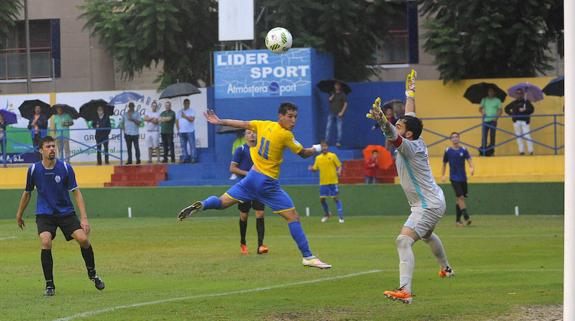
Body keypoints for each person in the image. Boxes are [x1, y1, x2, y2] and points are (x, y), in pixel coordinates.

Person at [177, 102, 331, 269]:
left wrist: (220, 121)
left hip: (251, 178)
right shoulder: (286, 135)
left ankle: (203, 204)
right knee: (293, 217)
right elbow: (303, 154)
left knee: (221, 203)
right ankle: (307, 256)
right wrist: (317, 147)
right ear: (280, 116)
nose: (293, 121)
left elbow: (242, 124)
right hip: (267, 183)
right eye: (290, 116)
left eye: (295, 117)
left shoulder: (262, 124)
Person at [367, 70, 453, 304]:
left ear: (409, 133)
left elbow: (393, 135)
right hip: (432, 200)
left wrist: (383, 121)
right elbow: (410, 113)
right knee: (426, 235)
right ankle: (446, 268)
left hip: (427, 204)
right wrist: (410, 90)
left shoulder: (409, 147)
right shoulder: (415, 137)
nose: (397, 124)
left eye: (400, 124)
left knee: (403, 241)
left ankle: (405, 291)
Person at [15, 136, 105, 296]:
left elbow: (76, 193)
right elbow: (27, 193)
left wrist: (84, 218)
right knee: (45, 241)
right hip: (45, 214)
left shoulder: (65, 167)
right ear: (41, 150)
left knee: (83, 240)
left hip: (65, 213)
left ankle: (93, 274)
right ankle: (49, 285)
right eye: (48, 147)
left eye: (53, 146)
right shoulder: (34, 169)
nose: (52, 149)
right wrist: (19, 214)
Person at [229, 129, 268, 255]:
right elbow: (232, 168)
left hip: (258, 187)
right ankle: (243, 242)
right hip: (245, 188)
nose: (252, 135)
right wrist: (249, 174)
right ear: (245, 136)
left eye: (254, 132)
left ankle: (260, 245)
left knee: (260, 213)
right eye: (249, 133)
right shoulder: (240, 149)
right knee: (244, 216)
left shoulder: (260, 150)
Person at [441, 132, 475, 227]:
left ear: (459, 138)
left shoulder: (464, 150)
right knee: (460, 197)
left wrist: (472, 168)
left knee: (459, 199)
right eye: (453, 137)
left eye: (456, 137)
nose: (455, 139)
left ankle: (457, 221)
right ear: (451, 139)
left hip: (463, 178)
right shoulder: (448, 151)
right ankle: (466, 216)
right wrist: (443, 175)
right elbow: (444, 164)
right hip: (454, 178)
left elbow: (469, 159)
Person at [309, 141, 344, 223]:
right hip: (323, 182)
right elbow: (315, 168)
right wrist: (311, 169)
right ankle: (327, 214)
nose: (324, 148)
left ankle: (341, 216)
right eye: (322, 146)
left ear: (327, 147)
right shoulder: (318, 158)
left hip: (333, 181)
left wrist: (339, 171)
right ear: (321, 148)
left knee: (336, 198)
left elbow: (339, 165)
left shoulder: (332, 156)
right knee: (322, 199)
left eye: (325, 146)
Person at [504, 88, 535, 155]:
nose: (519, 94)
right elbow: (506, 109)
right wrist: (511, 114)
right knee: (518, 136)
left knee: (527, 135)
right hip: (516, 121)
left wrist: (525, 109)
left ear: (523, 94)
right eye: (518, 93)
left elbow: (532, 110)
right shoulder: (514, 102)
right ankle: (521, 151)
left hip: (525, 121)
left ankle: (530, 151)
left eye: (520, 93)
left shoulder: (527, 102)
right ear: (516, 94)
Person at [479, 87, 502, 156]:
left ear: (494, 93)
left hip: (493, 120)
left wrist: (496, 117)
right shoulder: (484, 99)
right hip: (485, 120)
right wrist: (482, 112)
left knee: (492, 135)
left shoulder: (497, 100)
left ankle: (491, 151)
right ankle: (483, 151)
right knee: (484, 135)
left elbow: (500, 110)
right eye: (489, 91)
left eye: (492, 91)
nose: (490, 93)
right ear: (488, 92)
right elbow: (480, 108)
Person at [325, 81, 348, 147]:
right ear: (334, 86)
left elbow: (346, 104)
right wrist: (332, 96)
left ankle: (338, 142)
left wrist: (342, 112)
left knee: (339, 128)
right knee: (328, 127)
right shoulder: (332, 93)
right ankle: (326, 141)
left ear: (340, 86)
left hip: (339, 114)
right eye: (336, 85)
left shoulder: (342, 94)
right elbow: (329, 100)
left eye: (338, 85)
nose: (337, 86)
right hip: (331, 113)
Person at [176, 98, 197, 163]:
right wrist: (178, 130)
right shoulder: (180, 111)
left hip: (190, 131)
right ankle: (185, 158)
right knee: (183, 146)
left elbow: (192, 119)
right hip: (181, 131)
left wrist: (185, 116)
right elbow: (176, 121)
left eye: (187, 103)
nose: (186, 104)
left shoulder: (192, 111)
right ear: (183, 104)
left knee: (192, 145)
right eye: (185, 103)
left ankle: (193, 158)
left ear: (189, 104)